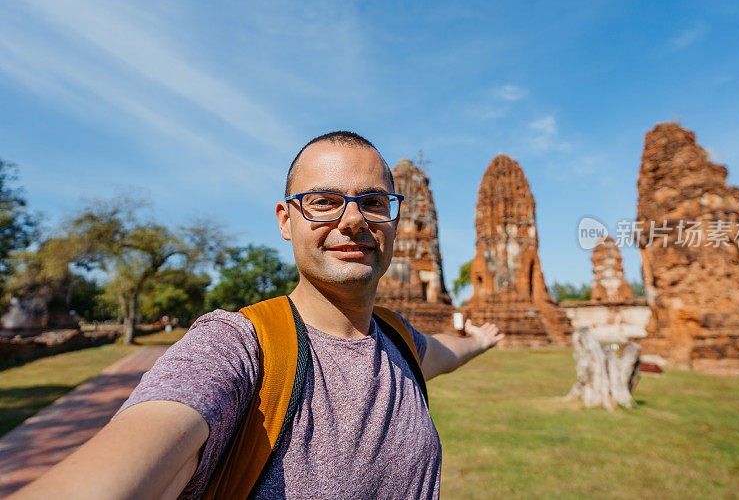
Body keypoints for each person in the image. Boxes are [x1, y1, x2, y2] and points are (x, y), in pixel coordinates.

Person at [12, 131, 504, 499]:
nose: (352, 219)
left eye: (374, 202)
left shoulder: (400, 342)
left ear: (395, 221)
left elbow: (448, 350)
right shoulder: (236, 346)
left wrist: (480, 338)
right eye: (324, 202)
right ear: (285, 220)